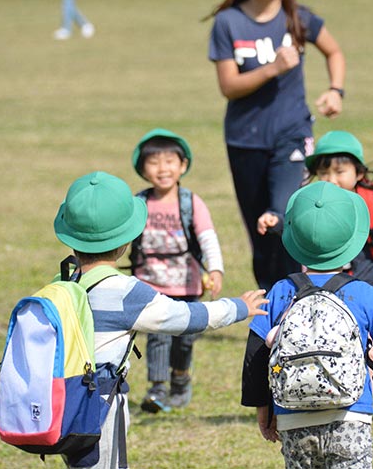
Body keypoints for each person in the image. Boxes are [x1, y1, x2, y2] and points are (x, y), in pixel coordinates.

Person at [53, 171, 268, 469]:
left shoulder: (63, 284)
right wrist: (237, 308)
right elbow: (185, 318)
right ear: (126, 240)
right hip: (98, 403)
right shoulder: (126, 293)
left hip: (62, 399)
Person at [242, 182, 373, 468]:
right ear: (352, 244)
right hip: (350, 416)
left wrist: (263, 406)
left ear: (293, 242)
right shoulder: (364, 293)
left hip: (292, 417)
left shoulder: (280, 291)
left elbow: (256, 354)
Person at [207, 0, 346, 292]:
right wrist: (272, 68)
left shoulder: (298, 19)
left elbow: (335, 52)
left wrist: (335, 89)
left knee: (284, 219)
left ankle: (301, 298)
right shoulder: (228, 23)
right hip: (244, 139)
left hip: (292, 135)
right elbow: (229, 86)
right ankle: (273, 304)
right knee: (260, 233)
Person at [258, 129, 373, 417]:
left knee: (372, 345)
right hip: (325, 288)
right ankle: (329, 388)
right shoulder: (313, 200)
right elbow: (301, 225)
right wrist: (276, 222)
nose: (331, 180)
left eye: (340, 171)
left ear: (359, 172)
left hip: (368, 286)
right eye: (324, 173)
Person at [128, 128, 225, 413]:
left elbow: (208, 237)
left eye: (170, 161)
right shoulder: (139, 203)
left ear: (183, 166)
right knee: (157, 337)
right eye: (154, 162)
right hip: (151, 285)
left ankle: (180, 379)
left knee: (184, 340)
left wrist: (216, 269)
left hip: (187, 285)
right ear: (143, 169)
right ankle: (157, 388)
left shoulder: (190, 202)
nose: (163, 169)